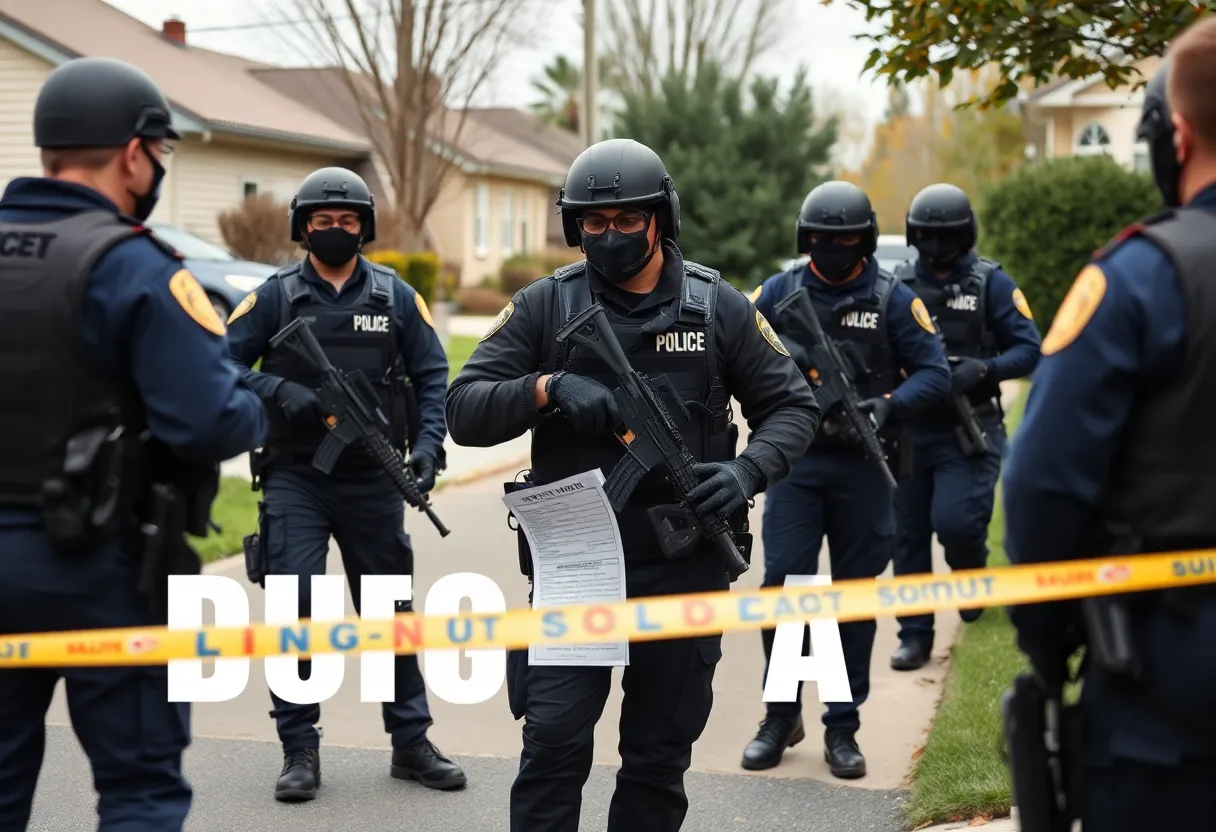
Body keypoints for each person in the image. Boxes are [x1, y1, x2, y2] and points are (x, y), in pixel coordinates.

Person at [446, 138, 820, 832]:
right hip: (577, 564)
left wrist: (746, 471)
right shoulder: (545, 308)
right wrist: (546, 387)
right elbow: (462, 409)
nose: (609, 235)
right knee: (552, 746)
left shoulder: (718, 309)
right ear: (574, 225)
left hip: (685, 565)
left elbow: (793, 406)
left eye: (626, 220)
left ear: (660, 219)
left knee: (655, 756)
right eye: (594, 222)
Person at [0, 57, 267, 831]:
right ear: (131, 153)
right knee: (139, 791)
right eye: (158, 153)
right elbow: (209, 423)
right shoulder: (136, 267)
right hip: (100, 566)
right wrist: (250, 396)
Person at [1003, 25, 1216, 830]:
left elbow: (1041, 486)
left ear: (1178, 134)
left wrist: (1049, 637)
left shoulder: (1140, 277)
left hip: (1170, 682)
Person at [225, 166, 463, 801]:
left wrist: (430, 450)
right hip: (296, 476)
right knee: (295, 602)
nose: (335, 230)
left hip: (373, 479)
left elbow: (434, 376)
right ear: (303, 227)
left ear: (365, 228)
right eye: (323, 221)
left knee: (390, 611)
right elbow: (218, 365)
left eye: (347, 221)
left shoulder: (395, 297)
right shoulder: (274, 297)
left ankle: (410, 743)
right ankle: (298, 747)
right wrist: (283, 391)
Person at [742, 181, 952, 778]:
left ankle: (842, 725)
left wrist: (888, 403)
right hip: (796, 463)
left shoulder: (892, 296)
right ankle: (779, 715)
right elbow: (735, 355)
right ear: (804, 240)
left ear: (863, 241)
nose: (832, 249)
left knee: (852, 598)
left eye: (844, 241)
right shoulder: (779, 292)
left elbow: (933, 372)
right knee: (785, 587)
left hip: (864, 465)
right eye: (821, 240)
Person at [887, 183, 1041, 671]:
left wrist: (984, 369)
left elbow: (1030, 347)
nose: (936, 247)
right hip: (911, 430)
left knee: (956, 523)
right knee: (906, 534)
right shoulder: (897, 285)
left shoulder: (990, 283)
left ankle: (969, 569)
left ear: (966, 235)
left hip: (968, 427)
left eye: (946, 236)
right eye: (927, 236)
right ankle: (914, 635)